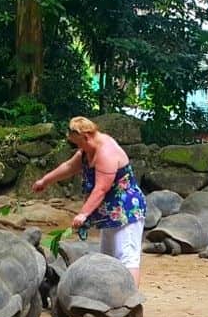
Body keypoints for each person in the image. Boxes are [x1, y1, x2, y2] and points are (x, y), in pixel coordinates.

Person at [32, 116, 147, 285]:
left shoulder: (106, 152)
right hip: (109, 213)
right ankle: (110, 296)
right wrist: (45, 181)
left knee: (127, 257)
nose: (78, 148)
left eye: (78, 143)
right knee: (107, 258)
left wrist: (83, 214)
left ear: (86, 137)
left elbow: (101, 188)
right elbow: (70, 166)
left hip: (126, 211)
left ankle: (130, 302)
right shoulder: (87, 149)